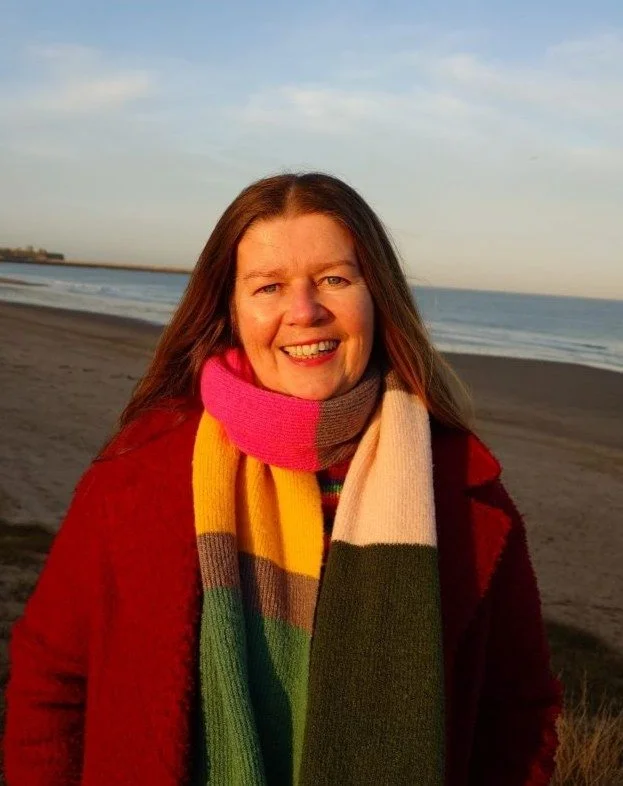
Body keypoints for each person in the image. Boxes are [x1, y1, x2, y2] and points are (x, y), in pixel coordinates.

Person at [3, 172, 562, 785]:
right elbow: (51, 680)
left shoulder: (460, 486)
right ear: (231, 310)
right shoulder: (139, 469)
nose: (304, 312)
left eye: (334, 279)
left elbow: (518, 713)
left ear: (379, 296)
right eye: (269, 286)